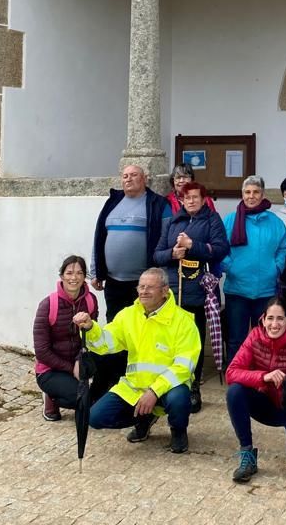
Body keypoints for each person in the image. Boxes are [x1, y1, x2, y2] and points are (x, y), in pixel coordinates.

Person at [76, 267, 201, 453]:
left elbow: (183, 367)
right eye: (141, 286)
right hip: (134, 386)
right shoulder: (128, 315)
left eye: (150, 287)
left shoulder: (184, 321)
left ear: (165, 290)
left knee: (179, 399)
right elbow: (106, 342)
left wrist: (154, 391)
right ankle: (144, 417)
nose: (143, 291)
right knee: (95, 418)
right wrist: (90, 328)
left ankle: (178, 430)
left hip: (169, 387)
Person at [90, 164, 171, 398]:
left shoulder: (158, 204)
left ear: (144, 178)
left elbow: (166, 239)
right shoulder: (112, 202)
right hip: (114, 282)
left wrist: (160, 278)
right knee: (116, 330)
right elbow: (99, 237)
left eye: (134, 175)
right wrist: (97, 271)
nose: (128, 179)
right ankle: (115, 381)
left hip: (144, 286)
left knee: (142, 333)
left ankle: (141, 382)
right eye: (125, 176)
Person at [153, 181, 230, 412]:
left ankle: (193, 385)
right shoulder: (172, 222)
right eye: (188, 198)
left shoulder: (212, 220)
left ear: (203, 199)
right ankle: (169, 383)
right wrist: (172, 253)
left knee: (193, 340)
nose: (192, 201)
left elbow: (220, 249)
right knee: (170, 340)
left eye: (196, 197)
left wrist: (192, 245)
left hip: (199, 290)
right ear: (181, 200)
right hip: (174, 291)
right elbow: (156, 255)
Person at [226, 296, 286, 483]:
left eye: (280, 319)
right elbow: (231, 372)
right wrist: (263, 377)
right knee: (235, 391)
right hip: (265, 404)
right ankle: (247, 454)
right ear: (263, 319)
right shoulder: (254, 336)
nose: (274, 324)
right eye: (270, 318)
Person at [221, 176, 286, 364]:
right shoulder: (230, 220)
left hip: (265, 290)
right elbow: (220, 247)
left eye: (256, 192)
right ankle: (235, 373)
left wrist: (277, 267)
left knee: (265, 336)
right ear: (242, 194)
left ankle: (263, 372)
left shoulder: (274, 221)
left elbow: (284, 248)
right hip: (237, 289)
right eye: (247, 192)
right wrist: (229, 266)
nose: (251, 196)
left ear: (263, 195)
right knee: (236, 337)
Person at [33, 254, 98, 421]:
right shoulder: (48, 304)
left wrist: (78, 361)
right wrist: (71, 369)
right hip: (50, 369)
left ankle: (79, 389)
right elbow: (41, 351)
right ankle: (51, 396)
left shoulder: (91, 301)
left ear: (85, 276)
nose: (74, 277)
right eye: (69, 273)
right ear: (62, 276)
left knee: (92, 401)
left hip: (77, 362)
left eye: (79, 273)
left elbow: (91, 337)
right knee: (81, 399)